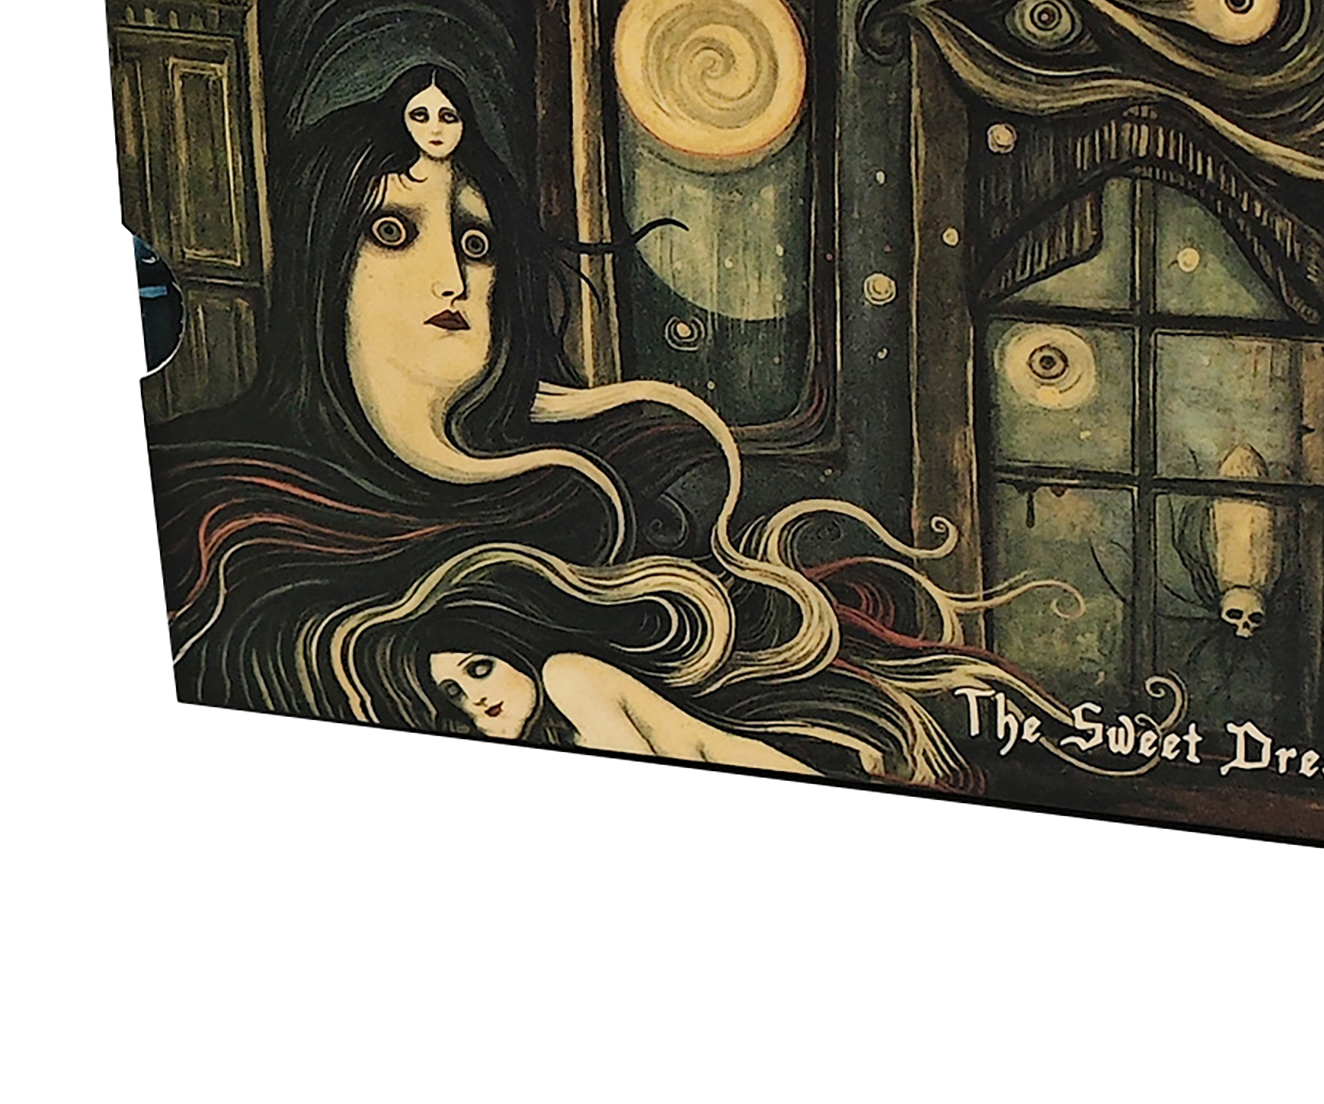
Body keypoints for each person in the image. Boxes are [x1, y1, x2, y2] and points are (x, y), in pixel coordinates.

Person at [156, 50, 1087, 789]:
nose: (452, 278)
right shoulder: (219, 505)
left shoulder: (576, 500)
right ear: (321, 259)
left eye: (475, 242)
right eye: (392, 232)